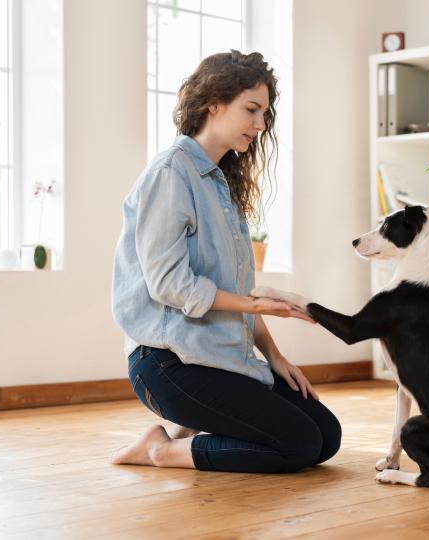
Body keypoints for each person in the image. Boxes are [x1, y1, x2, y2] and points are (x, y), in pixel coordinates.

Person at [110, 50, 340, 473]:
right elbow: (169, 284)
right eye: (251, 110)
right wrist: (253, 306)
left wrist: (275, 356)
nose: (261, 124)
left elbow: (236, 288)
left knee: (326, 436)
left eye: (264, 113)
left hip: (219, 357)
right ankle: (160, 450)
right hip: (166, 362)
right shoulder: (170, 174)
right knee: (298, 445)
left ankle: (188, 431)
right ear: (213, 103)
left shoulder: (221, 184)